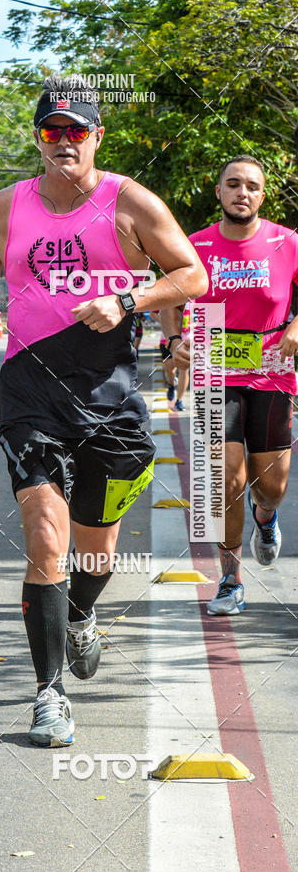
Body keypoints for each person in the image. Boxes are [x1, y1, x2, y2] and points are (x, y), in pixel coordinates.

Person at [0, 74, 208, 746]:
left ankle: (79, 615)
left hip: (110, 395)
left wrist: (127, 300)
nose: (64, 141)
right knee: (47, 536)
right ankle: (48, 695)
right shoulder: (4, 208)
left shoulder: (129, 201)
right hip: (32, 392)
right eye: (53, 130)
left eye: (77, 130)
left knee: (96, 554)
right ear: (38, 138)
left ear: (97, 135)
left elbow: (192, 273)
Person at [161, 155, 298, 615]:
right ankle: (230, 580)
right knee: (224, 479)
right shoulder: (195, 245)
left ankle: (266, 517)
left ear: (263, 195)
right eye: (233, 184)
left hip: (272, 370)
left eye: (252, 186)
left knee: (271, 484)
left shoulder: (287, 242)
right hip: (213, 367)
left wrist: (296, 325)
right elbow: (168, 298)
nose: (243, 192)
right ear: (218, 191)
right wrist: (174, 341)